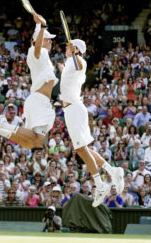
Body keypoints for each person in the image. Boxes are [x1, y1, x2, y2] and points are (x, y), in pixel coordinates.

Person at [0, 13, 58, 150]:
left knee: (31, 143)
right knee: (38, 141)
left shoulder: (44, 57)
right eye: (47, 39)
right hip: (39, 101)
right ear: (38, 40)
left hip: (40, 101)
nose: (50, 41)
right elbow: (37, 46)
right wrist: (42, 26)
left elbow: (37, 42)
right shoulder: (36, 51)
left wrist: (39, 25)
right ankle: (3, 124)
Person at [57, 39, 124, 207]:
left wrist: (75, 53)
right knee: (83, 149)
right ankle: (112, 171)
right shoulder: (69, 63)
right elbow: (70, 72)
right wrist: (63, 69)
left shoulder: (80, 61)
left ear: (76, 49)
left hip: (74, 109)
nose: (66, 47)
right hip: (71, 110)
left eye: (69, 46)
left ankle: (100, 184)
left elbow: (79, 62)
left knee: (80, 149)